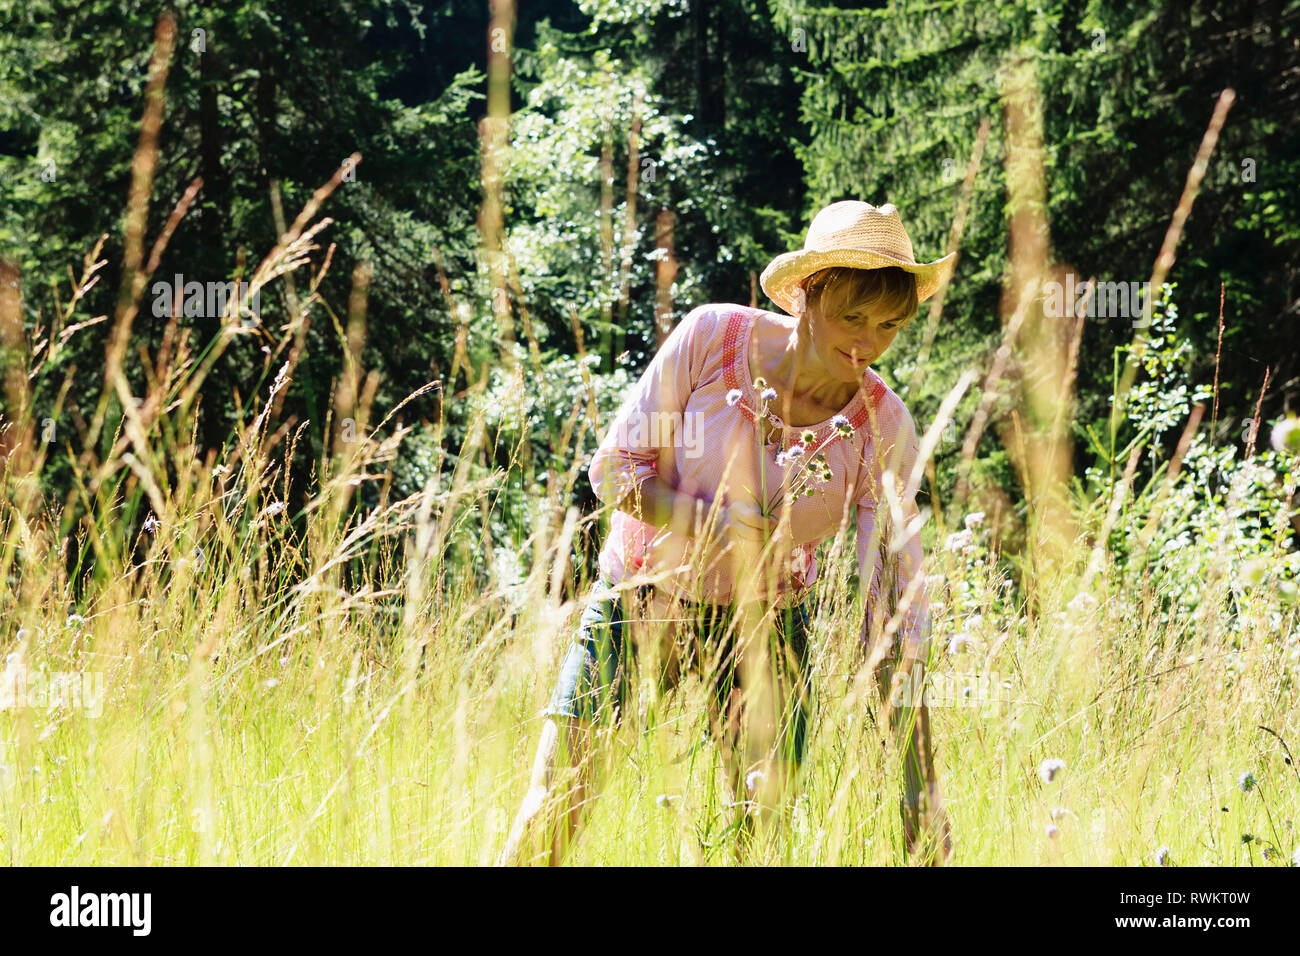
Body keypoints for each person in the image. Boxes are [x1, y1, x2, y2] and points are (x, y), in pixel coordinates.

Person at [496, 200, 955, 865]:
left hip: (766, 629)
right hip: (640, 598)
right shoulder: (713, 339)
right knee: (553, 807)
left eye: (888, 325)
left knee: (757, 841)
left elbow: (894, 611)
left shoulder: (882, 427)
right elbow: (615, 470)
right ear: (807, 295)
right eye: (851, 316)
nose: (867, 342)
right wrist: (714, 523)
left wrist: (920, 791)